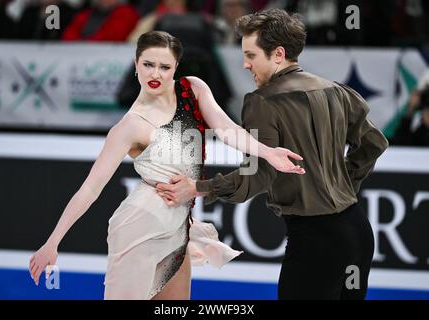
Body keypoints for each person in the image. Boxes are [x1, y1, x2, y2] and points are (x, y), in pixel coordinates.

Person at [28, 30, 305, 300]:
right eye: (148, 64)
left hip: (178, 225)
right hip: (139, 227)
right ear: (136, 64)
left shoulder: (192, 89)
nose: (155, 74)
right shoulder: (128, 126)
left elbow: (227, 129)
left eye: (164, 66)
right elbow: (90, 189)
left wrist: (268, 152)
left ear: (175, 68)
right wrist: (52, 243)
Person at [156, 9, 389, 300]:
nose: (244, 64)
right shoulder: (337, 91)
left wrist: (199, 188)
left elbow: (259, 173)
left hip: (316, 240)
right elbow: (374, 144)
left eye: (251, 56)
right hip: (357, 231)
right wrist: (342, 183)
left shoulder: (262, 102)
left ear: (278, 54)